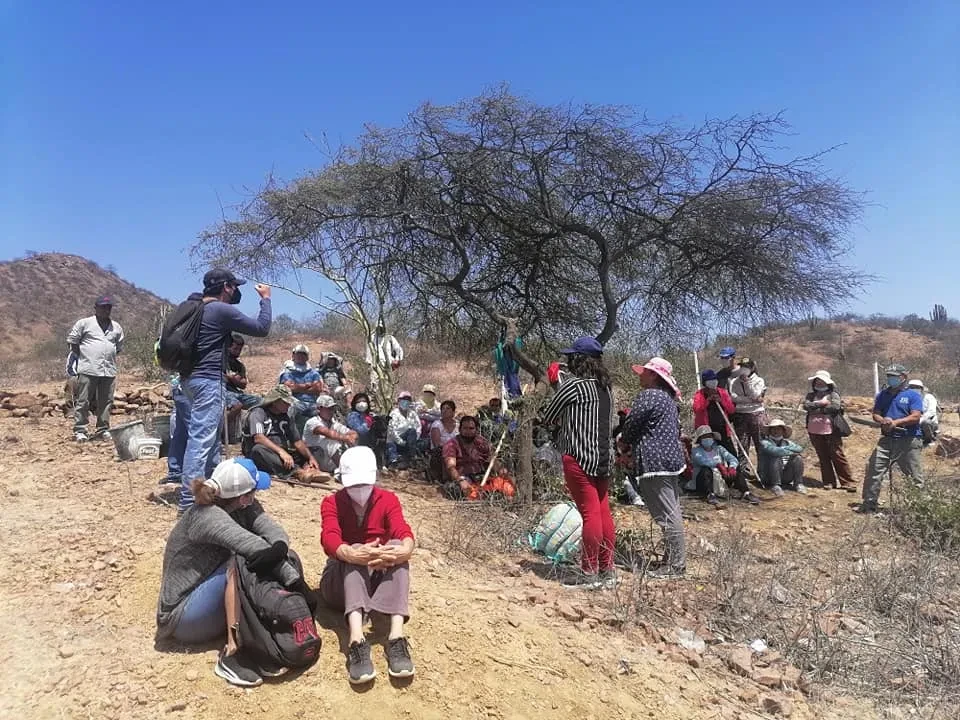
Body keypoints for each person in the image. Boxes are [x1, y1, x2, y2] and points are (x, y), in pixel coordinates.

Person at [156, 457, 309, 687]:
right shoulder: (206, 516)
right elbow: (252, 546)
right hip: (182, 616)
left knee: (273, 559)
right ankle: (232, 652)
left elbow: (272, 530)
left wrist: (281, 547)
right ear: (242, 495)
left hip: (207, 596)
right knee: (240, 563)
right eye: (253, 492)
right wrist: (296, 582)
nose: (255, 498)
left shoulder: (242, 505)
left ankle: (262, 637)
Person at [319, 446, 416, 684]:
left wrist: (404, 549)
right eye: (353, 485)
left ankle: (396, 635)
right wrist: (351, 553)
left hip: (374, 576)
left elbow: (401, 528)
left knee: (396, 549)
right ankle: (356, 639)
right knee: (354, 552)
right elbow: (329, 537)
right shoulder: (331, 503)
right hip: (339, 582)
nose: (359, 491)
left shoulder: (388, 500)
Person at [178, 270, 272, 514]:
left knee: (208, 441)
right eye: (233, 286)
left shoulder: (196, 308)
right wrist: (266, 299)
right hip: (208, 380)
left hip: (189, 380)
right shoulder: (220, 310)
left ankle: (210, 492)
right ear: (226, 287)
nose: (236, 290)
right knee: (201, 441)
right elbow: (262, 328)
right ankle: (189, 503)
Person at [540, 337, 616, 588]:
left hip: (579, 457)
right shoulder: (607, 388)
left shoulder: (574, 387)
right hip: (603, 458)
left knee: (590, 513)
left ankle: (588, 571)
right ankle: (606, 569)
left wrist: (555, 386)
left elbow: (549, 417)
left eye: (572, 357)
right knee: (603, 513)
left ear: (579, 360)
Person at [621, 357, 688, 579]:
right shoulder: (667, 399)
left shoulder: (649, 396)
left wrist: (624, 440)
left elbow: (631, 426)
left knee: (667, 514)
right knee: (671, 509)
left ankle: (676, 565)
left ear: (653, 376)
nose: (640, 375)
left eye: (644, 372)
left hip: (655, 461)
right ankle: (672, 559)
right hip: (669, 461)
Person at [860, 364, 924, 514]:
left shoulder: (913, 395)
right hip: (887, 439)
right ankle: (869, 504)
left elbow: (916, 416)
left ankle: (917, 509)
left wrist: (896, 422)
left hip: (908, 440)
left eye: (894, 376)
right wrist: (883, 420)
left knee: (914, 476)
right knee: (874, 469)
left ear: (903, 377)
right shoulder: (883, 395)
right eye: (889, 376)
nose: (891, 379)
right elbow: (876, 412)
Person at [693, 370, 760, 504]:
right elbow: (697, 408)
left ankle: (743, 489)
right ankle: (710, 490)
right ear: (705, 382)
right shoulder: (700, 394)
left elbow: (731, 409)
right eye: (710, 380)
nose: (713, 382)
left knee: (732, 457)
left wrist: (721, 400)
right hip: (707, 432)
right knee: (707, 459)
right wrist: (707, 401)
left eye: (715, 379)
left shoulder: (722, 392)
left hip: (723, 431)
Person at [67, 295, 124, 442]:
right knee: (83, 400)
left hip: (108, 370)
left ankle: (103, 429)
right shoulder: (84, 323)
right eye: (103, 307)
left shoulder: (116, 327)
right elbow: (73, 342)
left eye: (108, 307)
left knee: (106, 401)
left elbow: (117, 347)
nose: (106, 310)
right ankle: (80, 430)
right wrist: (85, 357)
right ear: (96, 308)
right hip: (88, 369)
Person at [243, 385, 323, 482]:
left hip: (284, 452)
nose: (288, 405)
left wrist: (310, 457)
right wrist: (281, 451)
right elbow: (258, 438)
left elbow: (297, 441)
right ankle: (297, 472)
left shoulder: (286, 417)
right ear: (275, 401)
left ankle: (309, 469)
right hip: (266, 452)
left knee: (315, 450)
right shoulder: (258, 413)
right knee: (258, 450)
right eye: (285, 402)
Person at [803, 370, 855, 492]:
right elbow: (806, 406)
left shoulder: (833, 395)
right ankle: (828, 481)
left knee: (837, 455)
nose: (819, 383)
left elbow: (835, 407)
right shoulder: (810, 395)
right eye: (817, 381)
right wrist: (822, 404)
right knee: (823, 456)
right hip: (814, 429)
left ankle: (847, 482)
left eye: (822, 381)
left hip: (831, 430)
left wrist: (816, 408)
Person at [441, 415, 496, 498]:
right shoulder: (451, 444)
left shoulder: (481, 442)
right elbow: (451, 467)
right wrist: (461, 480)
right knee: (457, 490)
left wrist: (501, 469)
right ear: (460, 429)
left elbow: (492, 459)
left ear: (476, 429)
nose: (468, 431)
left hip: (480, 477)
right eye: (465, 428)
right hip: (461, 478)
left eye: (471, 428)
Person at [729, 357, 766, 472]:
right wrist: (750, 400)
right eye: (742, 367)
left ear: (752, 368)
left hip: (756, 414)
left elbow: (756, 395)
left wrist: (747, 383)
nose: (744, 369)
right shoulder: (734, 381)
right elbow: (734, 398)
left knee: (760, 443)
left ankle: (763, 470)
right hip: (740, 414)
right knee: (742, 443)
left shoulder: (759, 380)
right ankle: (743, 469)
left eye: (747, 367)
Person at [304, 395, 358, 472]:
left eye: (332, 408)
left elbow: (353, 433)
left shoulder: (334, 423)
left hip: (328, 460)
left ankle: (351, 468)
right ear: (319, 408)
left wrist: (351, 438)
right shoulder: (312, 422)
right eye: (328, 408)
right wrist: (346, 438)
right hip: (314, 456)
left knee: (349, 443)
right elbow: (327, 433)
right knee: (331, 442)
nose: (331, 411)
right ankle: (345, 471)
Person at [690, 425, 739, 505]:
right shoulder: (696, 451)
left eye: (709, 436)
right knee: (705, 470)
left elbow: (733, 459)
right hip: (703, 481)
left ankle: (746, 492)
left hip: (721, 477)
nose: (707, 438)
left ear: (713, 437)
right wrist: (719, 465)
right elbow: (702, 462)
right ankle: (710, 494)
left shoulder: (719, 449)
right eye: (704, 437)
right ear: (700, 440)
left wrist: (732, 467)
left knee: (737, 470)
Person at [758, 418, 806, 497]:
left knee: (798, 458)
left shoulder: (787, 442)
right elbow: (774, 451)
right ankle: (775, 485)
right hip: (768, 475)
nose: (776, 431)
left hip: (784, 474)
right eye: (773, 429)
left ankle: (798, 484)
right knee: (776, 457)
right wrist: (789, 451)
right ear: (770, 431)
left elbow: (799, 448)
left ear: (783, 431)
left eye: (778, 429)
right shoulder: (765, 442)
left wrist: (785, 449)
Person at [224, 334, 261, 431]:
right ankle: (219, 429)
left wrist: (232, 378)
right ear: (228, 347)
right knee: (237, 406)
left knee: (261, 402)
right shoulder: (220, 360)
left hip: (236, 392)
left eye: (239, 349)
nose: (237, 352)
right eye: (235, 348)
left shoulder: (239, 365)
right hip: (222, 391)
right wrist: (234, 378)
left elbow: (244, 384)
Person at [278, 345, 324, 422]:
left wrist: (298, 387)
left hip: (312, 403)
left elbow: (318, 388)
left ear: (307, 357)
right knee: (291, 407)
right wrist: (307, 385)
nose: (301, 356)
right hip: (295, 402)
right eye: (298, 354)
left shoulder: (313, 373)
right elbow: (288, 388)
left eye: (304, 354)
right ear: (293, 355)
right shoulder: (288, 372)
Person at [365, 321, 404, 391]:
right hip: (375, 367)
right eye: (378, 328)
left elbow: (399, 349)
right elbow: (369, 353)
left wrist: (397, 359)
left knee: (387, 388)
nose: (380, 329)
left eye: (381, 328)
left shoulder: (390, 338)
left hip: (388, 367)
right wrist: (369, 366)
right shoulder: (371, 338)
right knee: (374, 388)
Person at [387, 391, 421, 469]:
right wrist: (400, 442)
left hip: (411, 441)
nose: (406, 401)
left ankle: (412, 458)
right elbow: (392, 430)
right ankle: (408, 457)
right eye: (403, 399)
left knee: (413, 431)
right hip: (396, 441)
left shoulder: (413, 414)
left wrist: (415, 439)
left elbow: (418, 428)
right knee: (411, 431)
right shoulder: (394, 414)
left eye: (408, 399)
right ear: (399, 401)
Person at [427, 401, 458, 483]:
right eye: (443, 409)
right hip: (440, 453)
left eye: (448, 408)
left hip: (456, 453)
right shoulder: (436, 424)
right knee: (441, 451)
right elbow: (436, 443)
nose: (445, 410)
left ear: (453, 412)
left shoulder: (458, 426)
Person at [909, 379, 940, 446]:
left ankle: (929, 440)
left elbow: (931, 412)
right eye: (912, 387)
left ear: (921, 388)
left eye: (916, 387)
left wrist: (920, 419)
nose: (914, 389)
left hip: (929, 422)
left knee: (926, 422)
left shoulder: (929, 397)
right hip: (913, 421)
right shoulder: (908, 398)